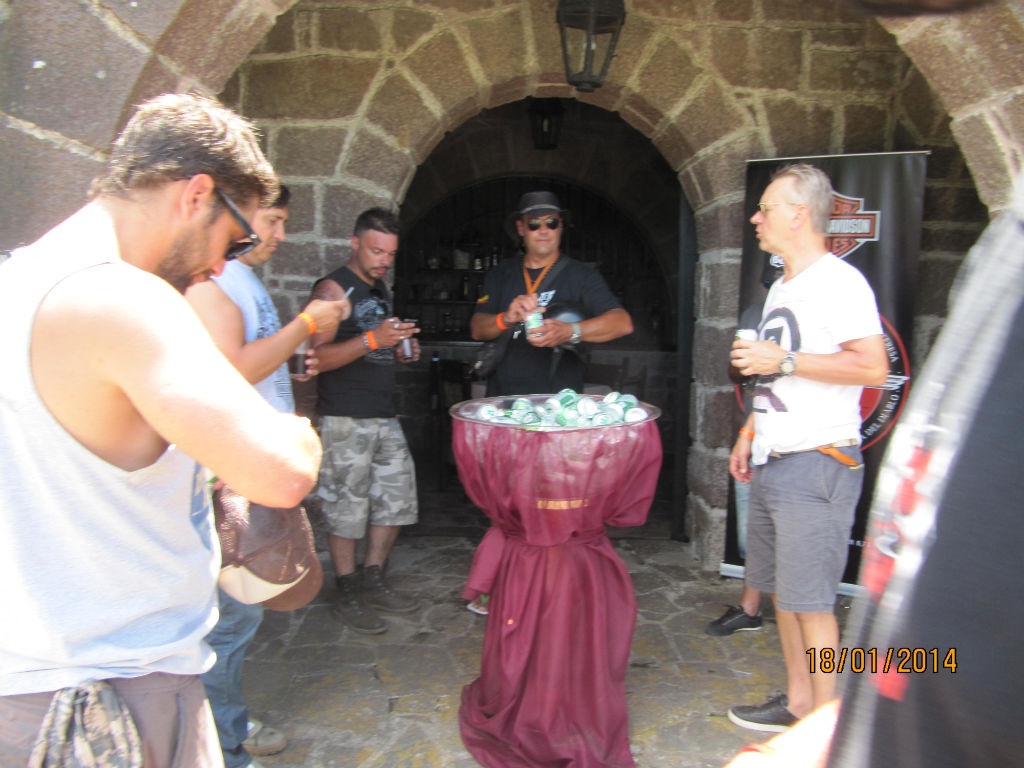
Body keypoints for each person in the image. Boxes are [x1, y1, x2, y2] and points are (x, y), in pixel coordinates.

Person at [0, 92, 322, 766]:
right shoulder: (123, 298)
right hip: (113, 696)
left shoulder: (17, 278)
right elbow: (281, 472)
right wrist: (299, 432)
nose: (221, 267)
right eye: (235, 239)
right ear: (195, 193)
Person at [186, 185, 350, 768]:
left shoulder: (238, 279)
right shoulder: (217, 278)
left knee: (239, 615)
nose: (280, 234)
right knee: (228, 621)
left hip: (249, 469)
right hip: (230, 474)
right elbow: (234, 370)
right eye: (272, 220)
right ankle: (223, 746)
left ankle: (222, 727)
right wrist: (306, 323)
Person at [726, 163, 888, 733]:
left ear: (799, 215)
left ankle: (828, 727)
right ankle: (799, 702)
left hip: (818, 463)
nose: (755, 217)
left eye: (765, 207)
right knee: (789, 598)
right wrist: (750, 432)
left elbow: (874, 366)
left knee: (814, 604)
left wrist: (786, 360)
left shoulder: (838, 282)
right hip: (778, 458)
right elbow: (776, 379)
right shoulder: (782, 286)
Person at [308, 208, 421, 635]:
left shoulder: (379, 287)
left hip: (381, 413)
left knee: (396, 496)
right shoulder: (333, 289)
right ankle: (347, 586)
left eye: (390, 254)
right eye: (376, 251)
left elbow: (369, 346)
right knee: (346, 507)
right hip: (344, 416)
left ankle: (372, 577)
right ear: (354, 244)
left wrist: (399, 346)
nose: (383, 261)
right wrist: (375, 338)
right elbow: (316, 359)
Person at [470, 190, 634, 396]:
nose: (544, 230)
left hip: (560, 407)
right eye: (534, 224)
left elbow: (622, 323)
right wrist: (506, 318)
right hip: (504, 402)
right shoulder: (500, 274)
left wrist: (570, 331)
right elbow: (477, 329)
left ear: (561, 226)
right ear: (521, 228)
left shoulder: (582, 275)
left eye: (552, 223)